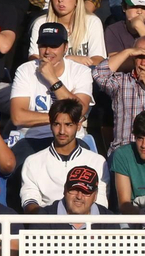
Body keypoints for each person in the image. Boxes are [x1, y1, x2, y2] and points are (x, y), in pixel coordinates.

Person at [8, 22, 95, 156]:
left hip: (71, 138)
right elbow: (17, 117)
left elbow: (81, 110)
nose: (47, 51)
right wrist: (63, 120)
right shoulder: (25, 70)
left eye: (54, 46)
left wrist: (53, 80)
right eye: (43, 46)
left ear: (65, 47)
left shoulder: (80, 71)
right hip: (32, 138)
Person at [17, 99, 107, 211]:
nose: (62, 131)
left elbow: (101, 204)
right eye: (57, 124)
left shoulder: (97, 161)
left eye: (68, 125)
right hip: (48, 225)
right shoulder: (33, 162)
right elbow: (29, 201)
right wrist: (51, 221)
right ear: (50, 125)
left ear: (78, 125)